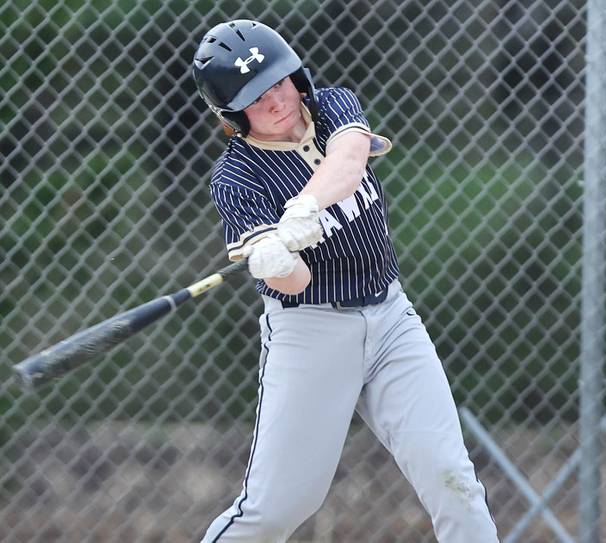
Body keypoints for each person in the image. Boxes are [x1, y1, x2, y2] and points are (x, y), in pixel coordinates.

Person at [192, 19, 499, 543]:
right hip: (311, 335)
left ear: (297, 78)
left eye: (278, 83)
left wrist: (306, 206)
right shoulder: (238, 176)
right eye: (254, 96)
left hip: (391, 317)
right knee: (277, 509)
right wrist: (274, 259)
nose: (276, 101)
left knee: (454, 481)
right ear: (232, 114)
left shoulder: (332, 105)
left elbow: (350, 161)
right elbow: (297, 282)